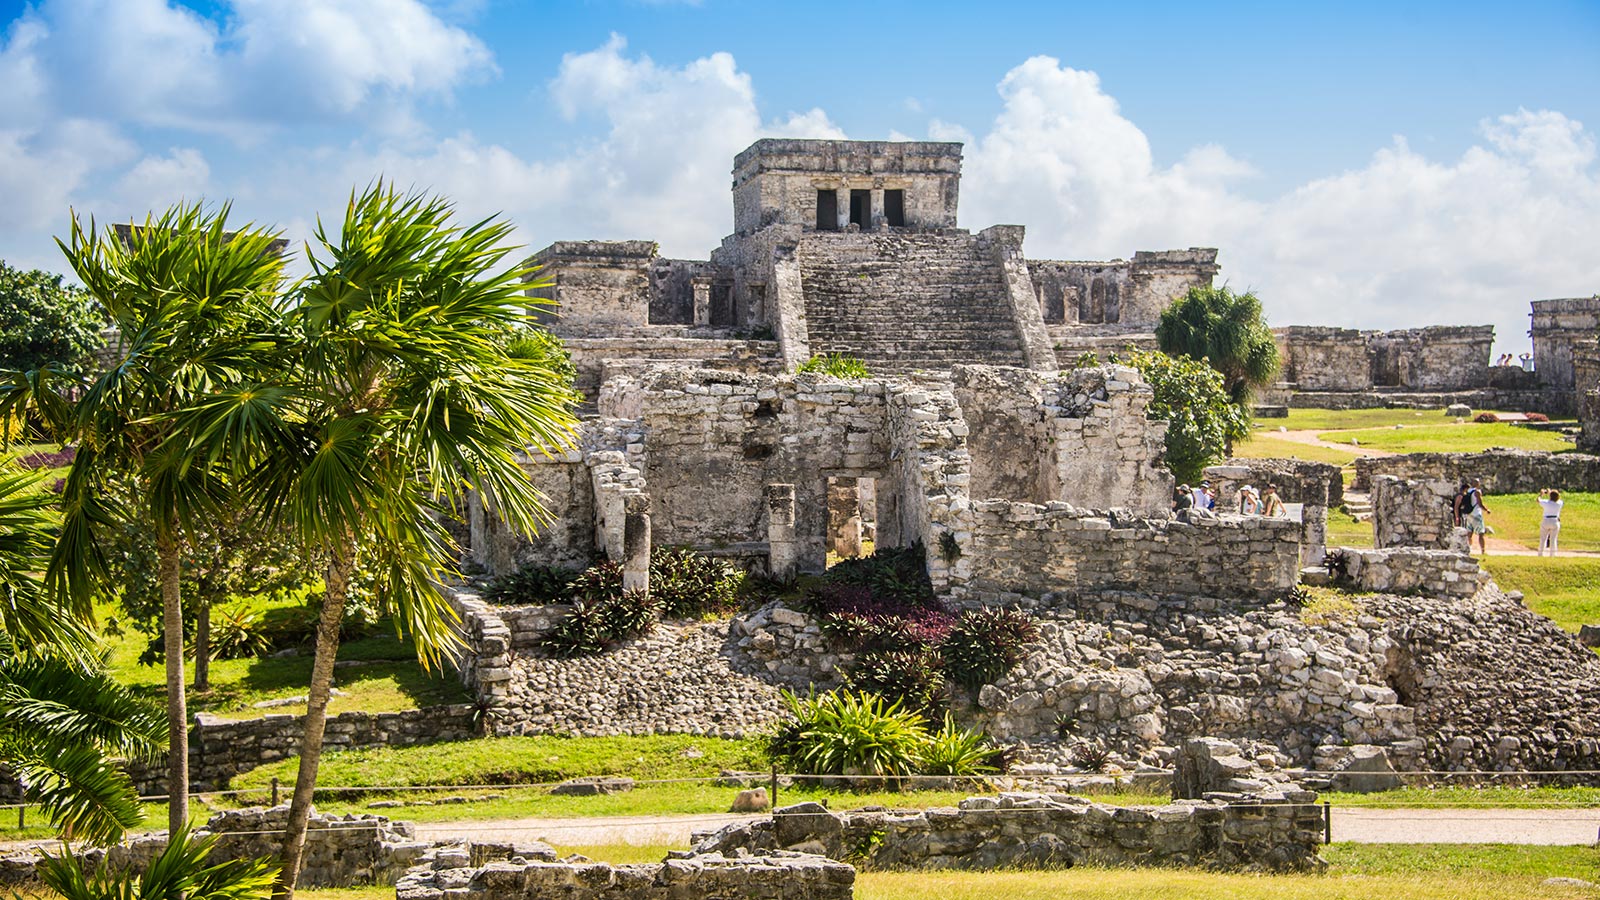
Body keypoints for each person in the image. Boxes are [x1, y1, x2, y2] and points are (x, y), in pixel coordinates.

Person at [1454, 477, 1492, 555]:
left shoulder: (1467, 491)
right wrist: (1486, 510)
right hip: (1476, 514)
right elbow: (1480, 504)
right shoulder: (1477, 492)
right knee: (1481, 533)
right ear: (1478, 484)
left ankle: (1469, 549)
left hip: (1468, 514)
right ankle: (1483, 550)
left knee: (1469, 534)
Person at [1538, 488, 1563, 556]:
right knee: (1553, 539)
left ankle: (1540, 553)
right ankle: (1553, 554)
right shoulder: (1559, 503)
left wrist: (1541, 494)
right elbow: (1556, 499)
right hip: (1555, 520)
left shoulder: (1546, 502)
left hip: (1546, 520)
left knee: (1543, 538)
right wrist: (1550, 493)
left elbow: (1538, 500)